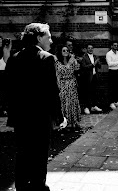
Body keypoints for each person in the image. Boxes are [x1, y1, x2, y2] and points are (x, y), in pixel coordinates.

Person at [5, 23, 67, 191]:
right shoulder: (46, 58)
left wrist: (12, 113)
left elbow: (9, 90)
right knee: (40, 153)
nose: (51, 41)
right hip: (40, 117)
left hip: (21, 117)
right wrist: (59, 116)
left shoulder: (14, 58)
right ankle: (38, 185)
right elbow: (52, 91)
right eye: (49, 37)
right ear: (39, 38)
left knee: (22, 153)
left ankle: (22, 186)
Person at [55, 44, 81, 130]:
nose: (66, 52)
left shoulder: (71, 60)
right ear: (60, 52)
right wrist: (69, 63)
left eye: (67, 50)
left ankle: (74, 121)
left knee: (73, 102)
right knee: (65, 103)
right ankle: (65, 123)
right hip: (63, 84)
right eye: (64, 50)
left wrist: (75, 61)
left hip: (72, 83)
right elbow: (63, 71)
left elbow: (76, 69)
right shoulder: (57, 62)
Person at [80, 44, 103, 114]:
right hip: (87, 78)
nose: (90, 49)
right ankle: (87, 107)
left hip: (95, 76)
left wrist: (98, 63)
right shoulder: (84, 57)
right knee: (87, 93)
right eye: (89, 48)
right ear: (87, 49)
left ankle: (94, 106)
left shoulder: (95, 56)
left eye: (91, 48)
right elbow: (84, 67)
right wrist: (93, 64)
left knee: (95, 92)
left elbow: (99, 66)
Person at [106, 42, 118, 110]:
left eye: (117, 45)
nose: (116, 46)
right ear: (111, 46)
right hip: (112, 72)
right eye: (114, 45)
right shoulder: (108, 54)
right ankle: (111, 103)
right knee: (112, 88)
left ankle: (116, 101)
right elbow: (109, 64)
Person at [0, 37, 12, 116]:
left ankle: (3, 108)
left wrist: (7, 48)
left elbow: (6, 59)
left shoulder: (4, 50)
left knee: (4, 91)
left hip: (3, 71)